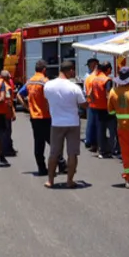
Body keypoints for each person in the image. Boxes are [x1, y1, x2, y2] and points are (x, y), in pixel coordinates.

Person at [16, 60, 66, 176]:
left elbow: (19, 95)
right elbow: (51, 98)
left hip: (34, 117)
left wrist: (26, 107)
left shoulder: (29, 82)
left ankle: (42, 168)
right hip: (46, 116)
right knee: (53, 142)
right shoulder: (45, 82)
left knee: (38, 143)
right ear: (44, 70)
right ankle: (62, 164)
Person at [43, 61, 87, 189]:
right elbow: (83, 104)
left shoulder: (48, 86)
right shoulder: (74, 87)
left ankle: (50, 181)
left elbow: (47, 102)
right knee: (72, 153)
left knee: (54, 153)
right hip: (72, 122)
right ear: (70, 71)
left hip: (56, 123)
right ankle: (70, 181)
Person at [90, 62, 119, 159]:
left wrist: (95, 102)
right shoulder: (107, 80)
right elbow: (108, 95)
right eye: (110, 69)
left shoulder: (95, 79)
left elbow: (90, 94)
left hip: (98, 108)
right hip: (107, 108)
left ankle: (102, 151)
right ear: (107, 69)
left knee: (101, 130)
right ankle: (113, 150)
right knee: (112, 130)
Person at [83, 58, 100, 152]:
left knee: (93, 122)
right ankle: (89, 140)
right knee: (91, 122)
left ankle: (92, 140)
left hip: (93, 102)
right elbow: (87, 91)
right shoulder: (88, 76)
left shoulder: (94, 76)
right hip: (91, 102)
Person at [0, 70, 18, 157]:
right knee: (7, 131)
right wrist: (13, 112)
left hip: (0, 112)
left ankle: (7, 148)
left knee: (4, 131)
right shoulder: (6, 87)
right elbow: (9, 102)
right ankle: (6, 150)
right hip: (6, 112)